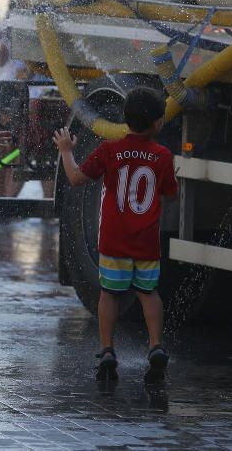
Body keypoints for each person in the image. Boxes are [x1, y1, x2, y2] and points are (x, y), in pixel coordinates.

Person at [54, 88, 177, 384]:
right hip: (146, 243)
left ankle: (107, 350)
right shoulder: (162, 156)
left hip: (113, 243)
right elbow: (171, 195)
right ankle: (155, 346)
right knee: (149, 294)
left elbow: (75, 178)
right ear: (159, 123)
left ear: (124, 118)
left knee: (109, 294)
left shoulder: (110, 150)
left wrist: (66, 152)